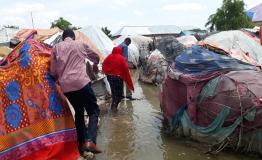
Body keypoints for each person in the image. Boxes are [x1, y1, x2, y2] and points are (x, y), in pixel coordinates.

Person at [50, 29, 102, 154]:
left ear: (63, 38)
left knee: (79, 112)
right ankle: (91, 141)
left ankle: (81, 145)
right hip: (82, 83)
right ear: (73, 37)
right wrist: (95, 64)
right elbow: (95, 56)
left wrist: (59, 79)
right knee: (94, 111)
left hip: (66, 87)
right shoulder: (80, 44)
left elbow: (52, 71)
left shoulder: (56, 48)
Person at [102, 47, 134, 112]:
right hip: (117, 78)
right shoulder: (120, 57)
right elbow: (125, 68)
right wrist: (126, 76)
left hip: (110, 78)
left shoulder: (109, 57)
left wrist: (106, 72)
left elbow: (103, 64)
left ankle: (113, 106)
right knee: (119, 94)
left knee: (114, 93)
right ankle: (114, 108)